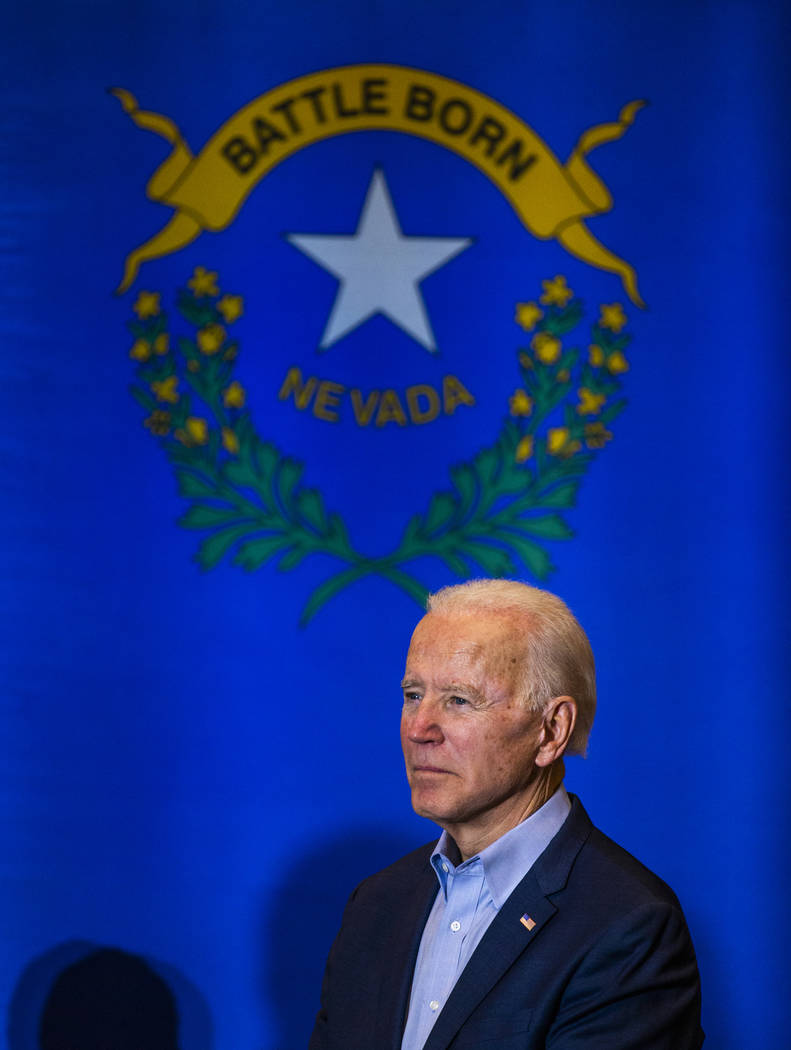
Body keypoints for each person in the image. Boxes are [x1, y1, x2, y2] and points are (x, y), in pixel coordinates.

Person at [309, 579, 704, 1049]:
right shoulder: (376, 903)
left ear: (551, 730)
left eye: (459, 700)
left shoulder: (630, 925)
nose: (419, 729)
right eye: (413, 695)